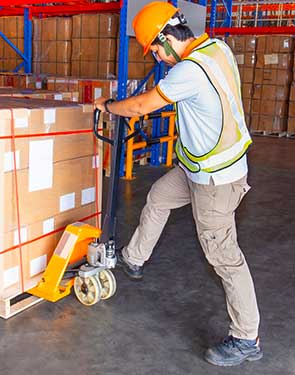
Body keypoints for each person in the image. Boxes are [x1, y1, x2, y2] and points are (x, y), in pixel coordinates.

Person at [94, 1, 262, 368]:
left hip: (216, 180)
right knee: (158, 197)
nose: (156, 56)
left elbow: (140, 107)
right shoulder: (217, 48)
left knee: (224, 257)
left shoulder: (187, 71)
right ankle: (133, 258)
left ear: (167, 37)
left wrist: (107, 106)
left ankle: (246, 337)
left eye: (155, 48)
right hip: (197, 167)